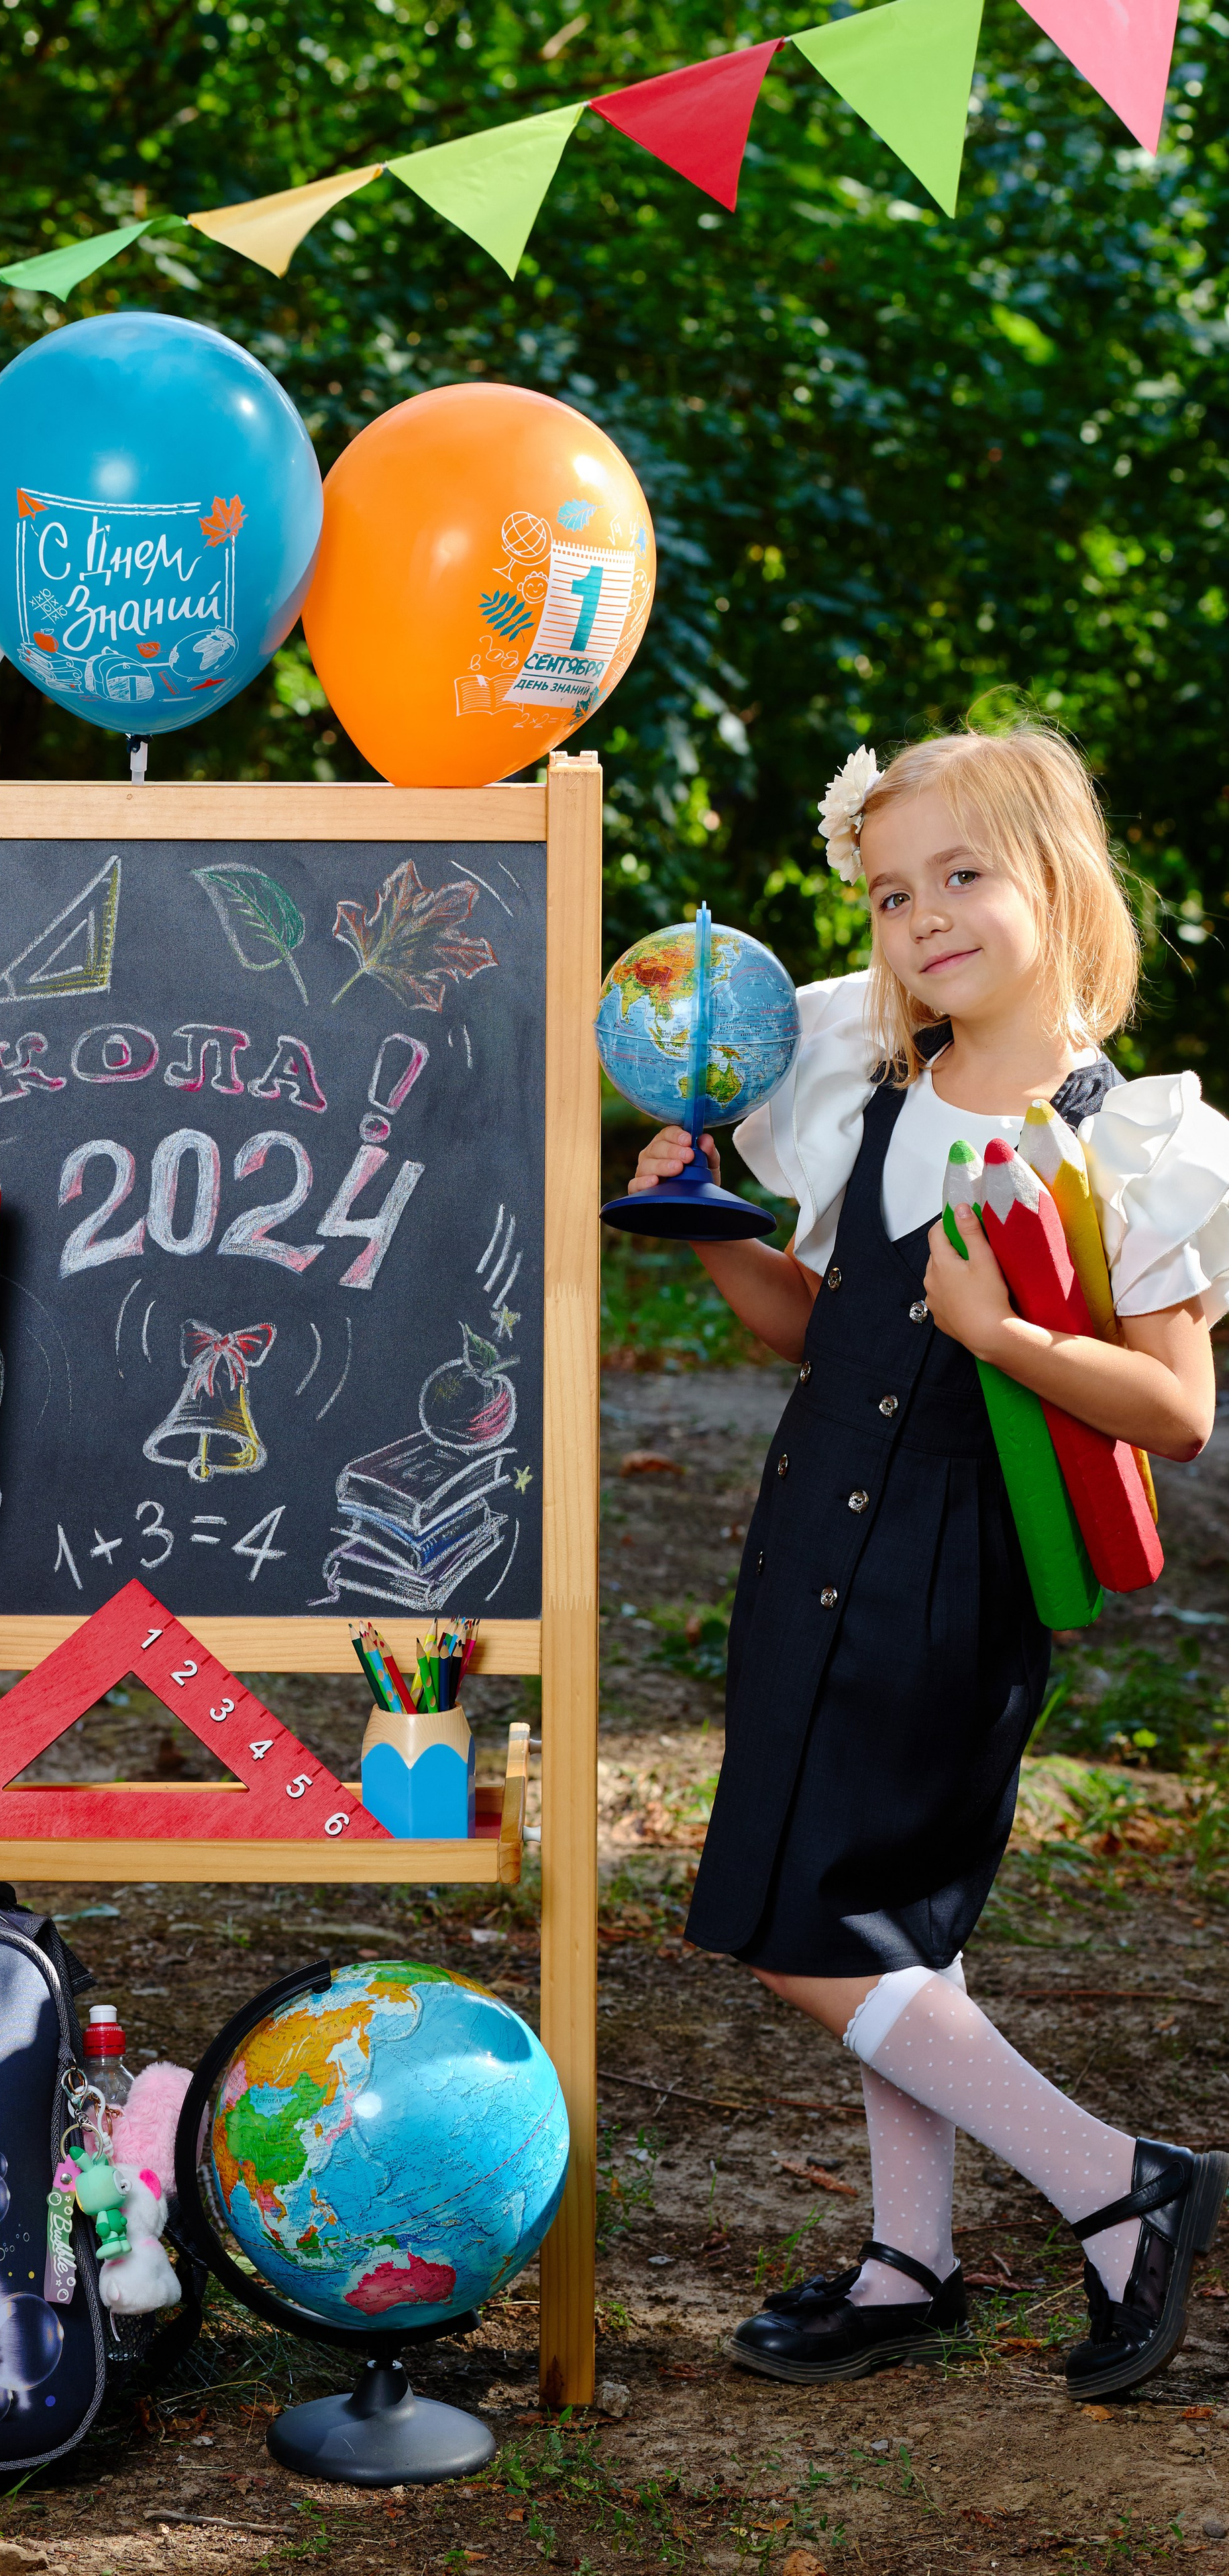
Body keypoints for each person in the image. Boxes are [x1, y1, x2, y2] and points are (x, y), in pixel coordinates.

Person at [632, 726, 1229, 2398]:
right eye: (893, 894)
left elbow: (1177, 1410)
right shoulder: (875, 1097)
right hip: (807, 1536)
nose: (922, 919)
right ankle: (911, 2260)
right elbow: (817, 1329)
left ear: (1058, 881)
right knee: (889, 1919)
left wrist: (1002, 1334)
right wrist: (707, 1230)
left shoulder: (1122, 1138)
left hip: (947, 1580)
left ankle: (1118, 2183)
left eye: (960, 876)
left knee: (804, 1929)